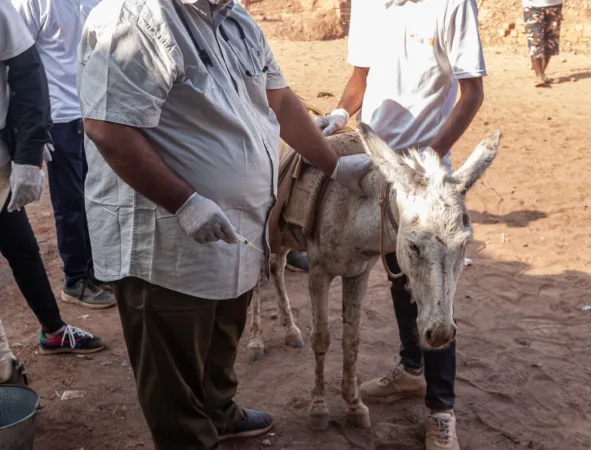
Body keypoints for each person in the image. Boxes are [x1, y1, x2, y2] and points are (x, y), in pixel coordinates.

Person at [77, 0, 371, 448]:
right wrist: (186, 202)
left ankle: (219, 410)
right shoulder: (132, 18)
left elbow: (281, 101)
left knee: (221, 333)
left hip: (234, 228)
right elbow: (108, 129)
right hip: (165, 236)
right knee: (172, 364)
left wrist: (333, 164)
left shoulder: (236, 19)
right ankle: (189, 436)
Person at [315, 0, 486, 448]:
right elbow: (361, 78)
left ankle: (441, 411)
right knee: (398, 275)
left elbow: (472, 94)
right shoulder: (370, 5)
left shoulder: (452, 5)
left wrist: (428, 158)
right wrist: (338, 113)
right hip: (376, 169)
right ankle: (412, 371)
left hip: (426, 177)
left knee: (433, 286)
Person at [0, 1, 105, 356]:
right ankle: (76, 279)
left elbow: (28, 72)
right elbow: (27, 70)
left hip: (92, 110)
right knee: (70, 201)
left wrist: (27, 148)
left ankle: (60, 321)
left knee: (98, 196)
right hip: (59, 114)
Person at [522, 0, 563, 87]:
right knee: (534, 39)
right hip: (532, 6)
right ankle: (538, 75)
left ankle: (542, 73)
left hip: (554, 5)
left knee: (551, 41)